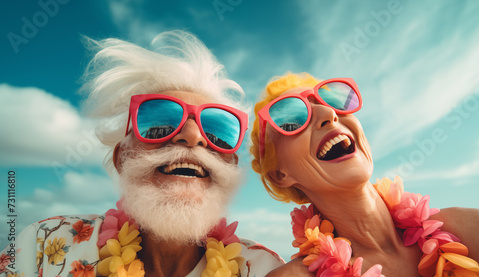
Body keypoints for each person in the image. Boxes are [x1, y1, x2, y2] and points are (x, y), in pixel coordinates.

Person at [0, 30, 284, 277]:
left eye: (216, 131)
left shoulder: (264, 269)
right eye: (159, 124)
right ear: (121, 158)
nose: (193, 135)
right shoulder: (42, 245)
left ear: (231, 166)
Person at [249, 72, 479, 276]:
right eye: (293, 121)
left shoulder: (477, 231)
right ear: (280, 175)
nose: (329, 114)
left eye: (332, 101)